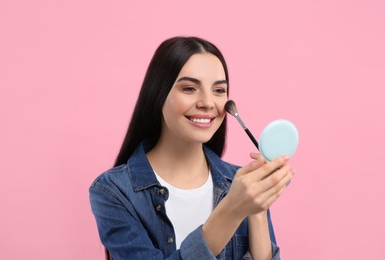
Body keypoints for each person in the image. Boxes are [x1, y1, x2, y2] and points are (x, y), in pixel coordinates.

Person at [89, 36, 294, 260]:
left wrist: (257, 210)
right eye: (189, 88)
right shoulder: (114, 191)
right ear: (158, 94)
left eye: (218, 90)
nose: (207, 102)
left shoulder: (242, 183)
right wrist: (232, 209)